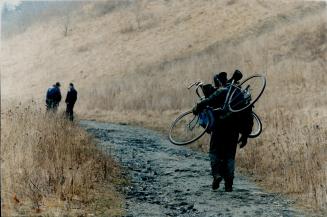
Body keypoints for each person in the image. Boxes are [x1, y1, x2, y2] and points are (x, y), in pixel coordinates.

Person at [193, 70, 253, 192]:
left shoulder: (222, 90)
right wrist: (245, 135)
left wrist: (197, 108)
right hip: (234, 131)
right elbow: (248, 116)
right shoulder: (239, 94)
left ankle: (217, 175)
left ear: (218, 82)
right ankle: (229, 185)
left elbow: (207, 101)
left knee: (214, 152)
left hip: (219, 128)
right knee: (229, 156)